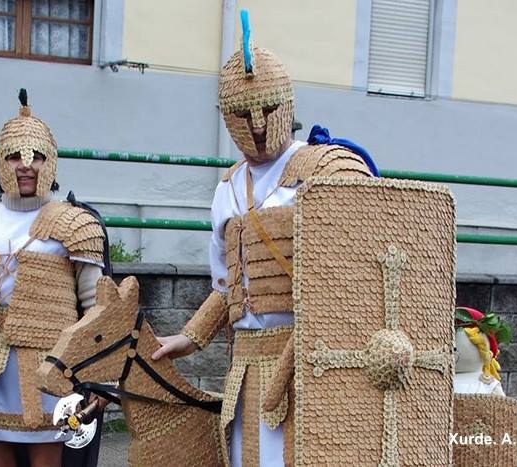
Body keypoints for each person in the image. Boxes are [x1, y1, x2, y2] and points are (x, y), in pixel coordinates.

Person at [152, 42, 376, 466]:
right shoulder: (227, 188)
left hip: (314, 364)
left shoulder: (327, 167)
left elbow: (360, 276)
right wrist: (190, 337)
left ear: (287, 105)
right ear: (227, 118)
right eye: (243, 113)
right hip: (246, 367)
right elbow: (228, 286)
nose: (257, 124)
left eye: (268, 109)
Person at [0, 90, 107, 467]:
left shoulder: (74, 224)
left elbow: (97, 306)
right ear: (0, 162)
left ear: (50, 161)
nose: (26, 166)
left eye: (36, 156)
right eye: (14, 156)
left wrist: (102, 374)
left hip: (49, 368)